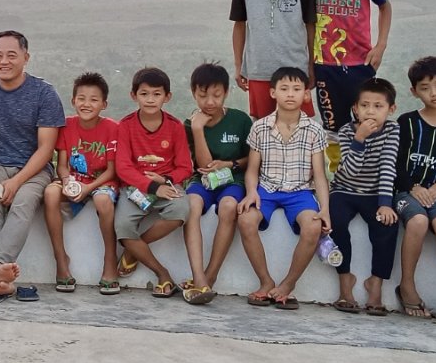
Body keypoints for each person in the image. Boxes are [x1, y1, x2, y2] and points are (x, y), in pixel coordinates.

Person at [0, 30, 66, 303]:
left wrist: (17, 181)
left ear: (26, 58)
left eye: (11, 55)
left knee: (23, 202)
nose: (3, 61)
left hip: (34, 169)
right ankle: (0, 275)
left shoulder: (44, 94)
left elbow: (46, 149)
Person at [237, 66, 332, 310]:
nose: (290, 94)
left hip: (300, 192)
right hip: (267, 190)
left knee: (312, 227)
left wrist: (325, 209)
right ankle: (266, 281)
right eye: (284, 89)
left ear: (306, 95)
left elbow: (320, 175)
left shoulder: (314, 130)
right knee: (246, 220)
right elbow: (252, 170)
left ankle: (288, 285)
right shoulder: (260, 127)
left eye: (297, 89)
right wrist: (251, 192)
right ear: (273, 93)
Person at [311, 0, 393, 173]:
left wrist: (380, 45)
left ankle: (368, 173)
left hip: (360, 62)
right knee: (333, 126)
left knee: (365, 120)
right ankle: (338, 174)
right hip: (324, 63)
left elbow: (384, 6)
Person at [111, 68, 192, 300]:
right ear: (133, 95)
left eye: (156, 94)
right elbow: (123, 168)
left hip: (167, 183)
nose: (150, 99)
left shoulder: (175, 127)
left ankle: (133, 250)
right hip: (135, 187)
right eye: (144, 94)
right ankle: (162, 274)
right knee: (124, 227)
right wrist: (151, 186)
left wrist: (166, 181)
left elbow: (185, 167)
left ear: (167, 97)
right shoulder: (125, 126)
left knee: (181, 210)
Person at [393, 56, 436, 320]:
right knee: (419, 222)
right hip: (405, 193)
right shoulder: (407, 123)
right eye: (424, 87)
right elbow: (395, 163)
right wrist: (412, 187)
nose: (433, 93)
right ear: (414, 91)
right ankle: (407, 286)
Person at [326, 77, 401, 315]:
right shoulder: (347, 131)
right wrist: (359, 138)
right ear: (355, 109)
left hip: (374, 192)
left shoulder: (392, 130)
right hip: (345, 189)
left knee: (386, 226)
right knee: (335, 221)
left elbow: (388, 167)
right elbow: (348, 170)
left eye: (378, 106)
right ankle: (345, 281)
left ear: (391, 110)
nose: (370, 112)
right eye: (365, 105)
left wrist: (385, 204)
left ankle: (375, 285)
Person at [180, 62, 252, 304]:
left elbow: (252, 159)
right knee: (191, 206)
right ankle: (198, 277)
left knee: (229, 207)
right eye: (202, 95)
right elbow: (203, 165)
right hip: (202, 180)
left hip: (234, 179)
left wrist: (230, 164)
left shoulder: (240, 120)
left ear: (226, 93)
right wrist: (198, 130)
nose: (209, 102)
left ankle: (210, 275)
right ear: (193, 93)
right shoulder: (190, 125)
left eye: (216, 95)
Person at [41, 72, 118, 295]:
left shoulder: (112, 128)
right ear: (73, 100)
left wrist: (88, 188)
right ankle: (61, 261)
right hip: (75, 180)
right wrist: (66, 180)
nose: (87, 104)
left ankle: (110, 260)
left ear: (104, 104)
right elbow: (62, 164)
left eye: (94, 100)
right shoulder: (66, 126)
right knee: (50, 193)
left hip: (102, 181)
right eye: (81, 98)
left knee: (103, 201)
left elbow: (112, 171)